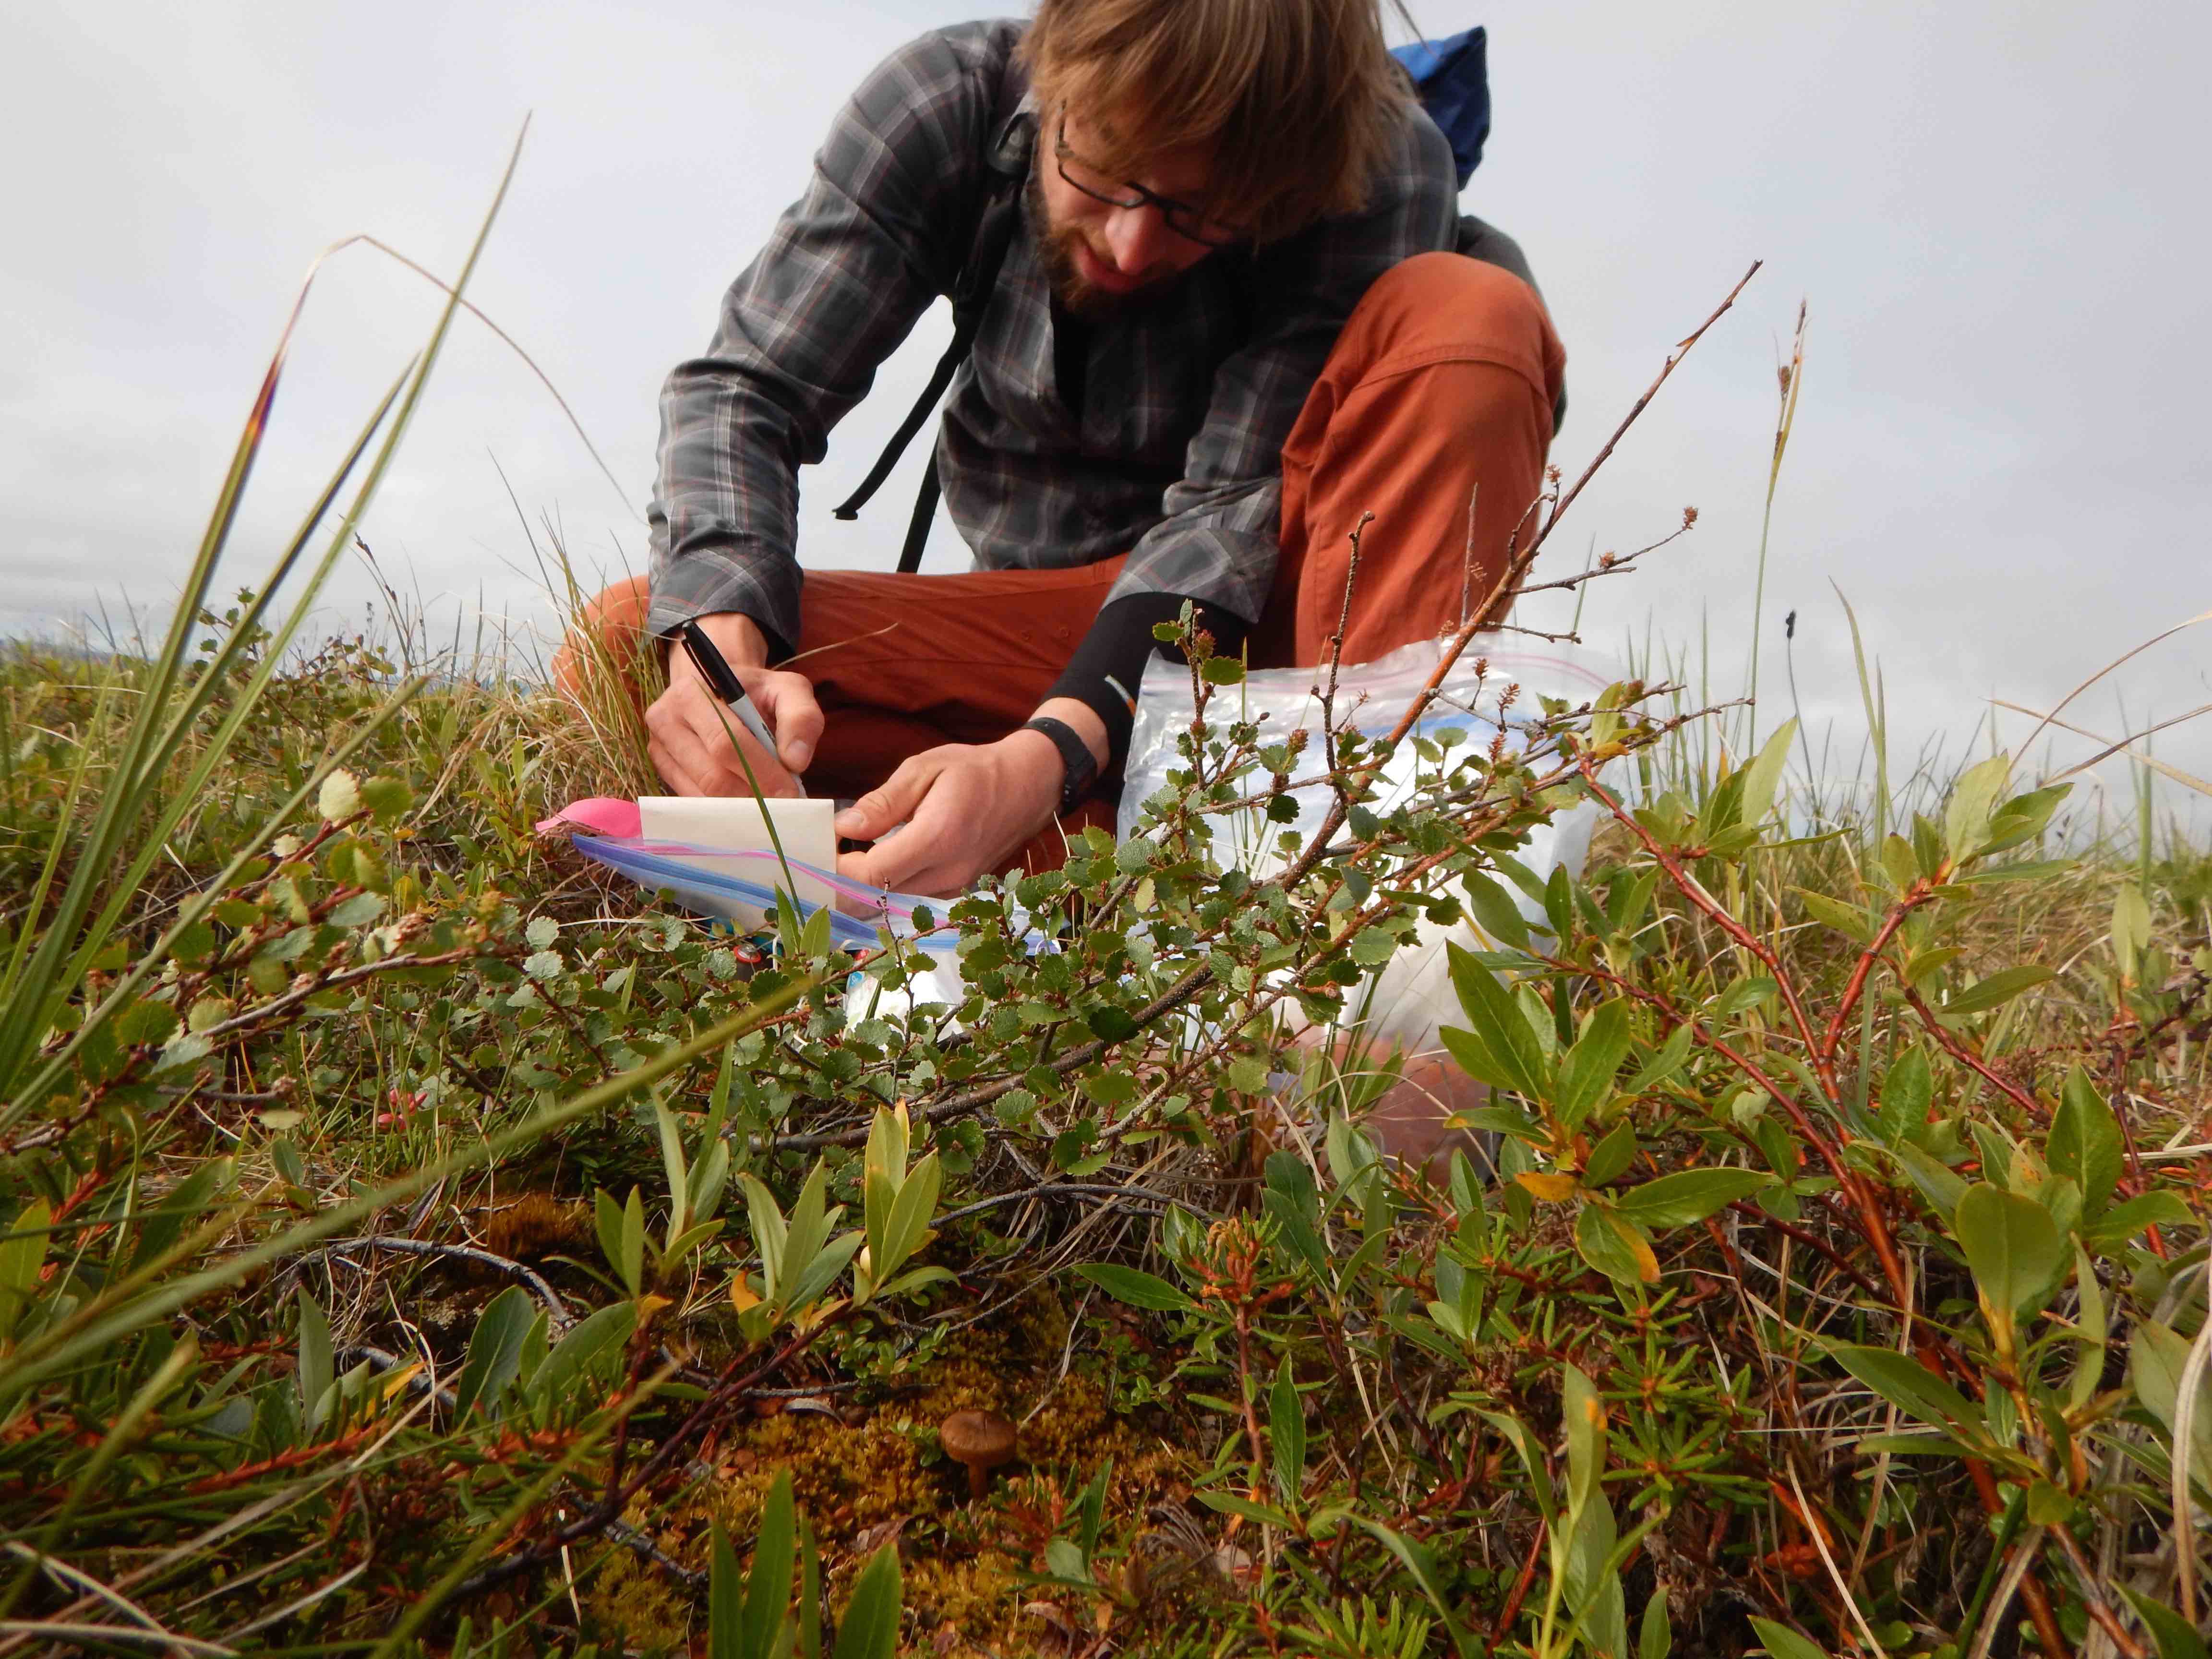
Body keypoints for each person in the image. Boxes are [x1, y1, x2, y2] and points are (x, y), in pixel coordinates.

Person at [564, 0, 1565, 899]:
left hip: (1301, 637)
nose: (1132, 247)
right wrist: (723, 656)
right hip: (1051, 638)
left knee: (1473, 312)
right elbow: (748, 388)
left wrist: (1047, 755)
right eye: (1102, 166)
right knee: (633, 647)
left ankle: (1367, 891)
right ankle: (1127, 867)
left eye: (1202, 213)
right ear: (1055, 66)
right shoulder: (943, 104)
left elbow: (1229, 519)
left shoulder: (1376, 168)